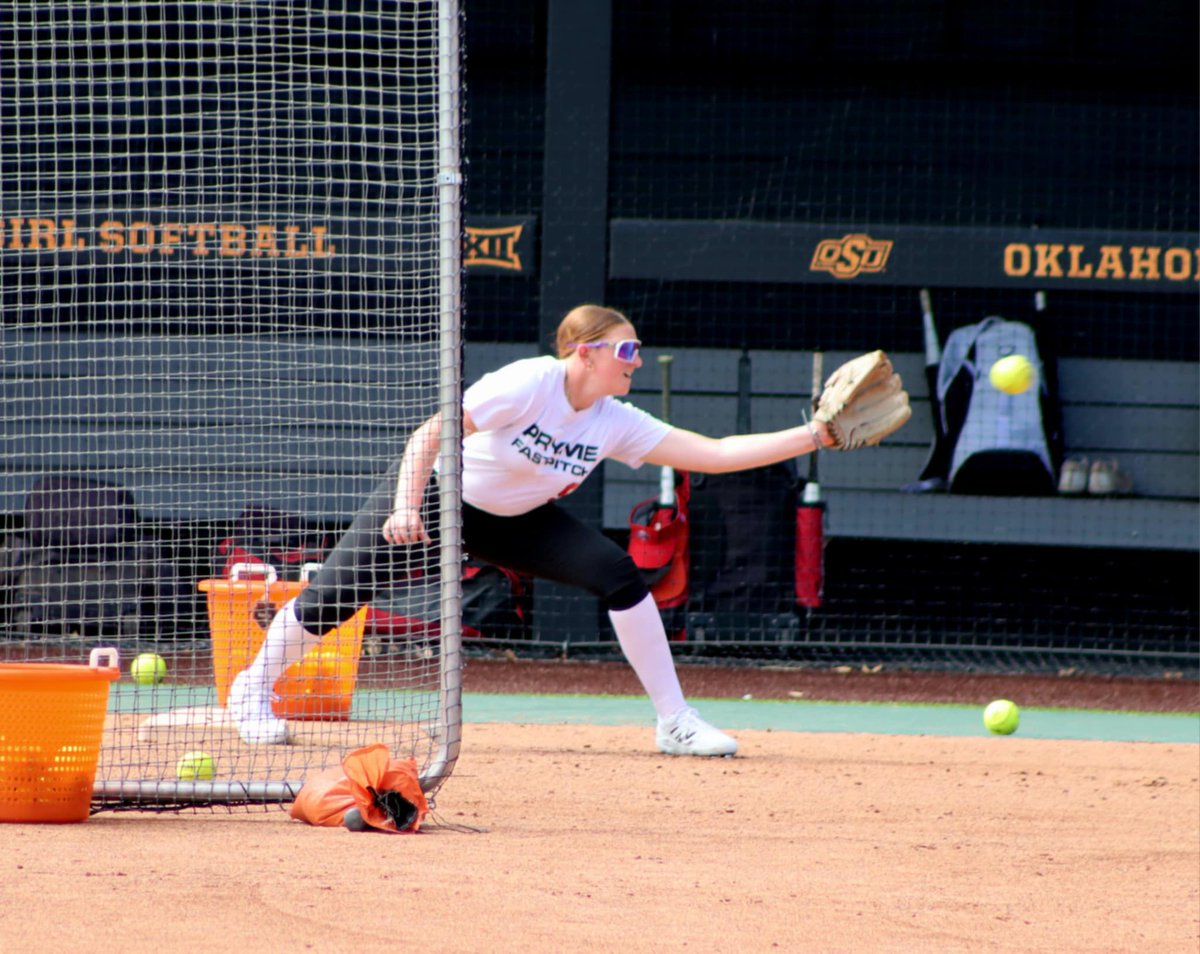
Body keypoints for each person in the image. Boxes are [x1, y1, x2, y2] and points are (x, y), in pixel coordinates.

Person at [229, 304, 838, 756]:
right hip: (442, 494)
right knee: (336, 594)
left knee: (619, 576)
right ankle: (252, 689)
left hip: (515, 521)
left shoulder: (614, 420)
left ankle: (674, 721)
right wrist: (407, 505)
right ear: (585, 353)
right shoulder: (530, 381)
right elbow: (431, 433)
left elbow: (716, 453)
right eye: (626, 352)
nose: (637, 362)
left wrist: (815, 435)